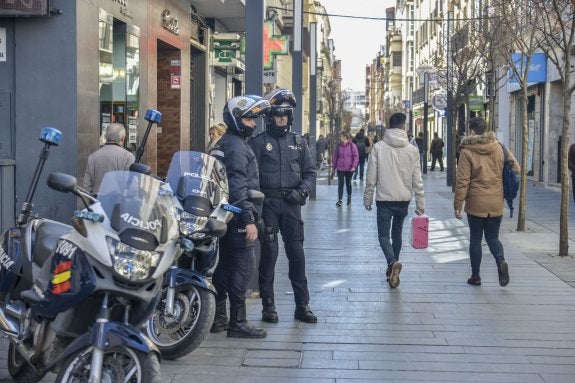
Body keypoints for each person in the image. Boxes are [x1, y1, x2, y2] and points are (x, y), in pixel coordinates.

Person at [249, 88, 318, 324]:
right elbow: (251, 175)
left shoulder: (299, 143)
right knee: (269, 257)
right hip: (268, 205)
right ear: (270, 117)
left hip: (291, 206)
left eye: (286, 115)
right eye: (278, 115)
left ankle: (303, 305)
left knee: (297, 256)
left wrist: (302, 191)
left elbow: (310, 172)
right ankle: (268, 307)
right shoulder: (258, 143)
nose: (282, 119)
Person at [208, 95, 271, 338]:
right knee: (242, 268)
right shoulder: (235, 146)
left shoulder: (226, 143)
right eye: (248, 119)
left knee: (224, 266)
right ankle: (238, 321)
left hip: (226, 215)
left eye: (254, 119)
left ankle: (219, 317)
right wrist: (248, 219)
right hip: (238, 215)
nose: (253, 124)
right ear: (235, 119)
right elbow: (237, 186)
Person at [454, 117, 520, 287]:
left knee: (475, 239)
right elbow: (516, 168)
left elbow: (462, 181)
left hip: (476, 203)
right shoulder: (499, 147)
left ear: (472, 131)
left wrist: (458, 205)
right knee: (492, 237)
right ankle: (500, 261)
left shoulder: (467, 151)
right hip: (496, 202)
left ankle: (475, 276)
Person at [363, 113, 425, 288]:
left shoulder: (378, 147)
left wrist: (368, 198)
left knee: (383, 235)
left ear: (389, 126)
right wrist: (420, 204)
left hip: (384, 200)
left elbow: (371, 176)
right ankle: (393, 268)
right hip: (403, 200)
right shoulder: (412, 150)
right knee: (396, 235)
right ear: (404, 126)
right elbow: (417, 180)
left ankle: (391, 263)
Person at [83, 123, 135, 196]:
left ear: (105, 137)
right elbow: (132, 187)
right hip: (118, 204)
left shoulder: (93, 157)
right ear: (123, 138)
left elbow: (87, 186)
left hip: (96, 203)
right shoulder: (128, 157)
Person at [332, 131, 359, 207]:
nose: (339, 138)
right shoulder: (338, 146)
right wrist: (333, 167)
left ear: (345, 137)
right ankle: (340, 200)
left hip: (349, 168)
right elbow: (335, 157)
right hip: (340, 167)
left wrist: (354, 166)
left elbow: (356, 156)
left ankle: (349, 198)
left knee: (348, 183)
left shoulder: (352, 145)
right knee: (340, 183)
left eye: (340, 136)